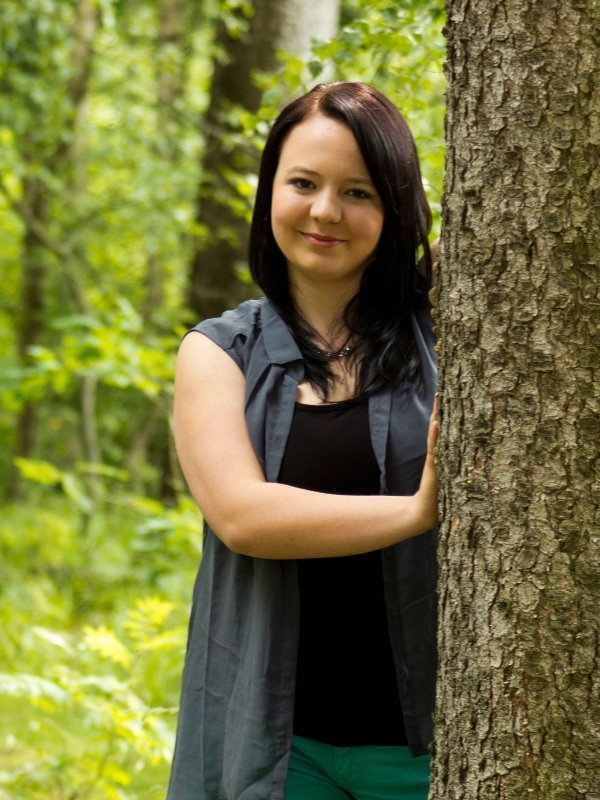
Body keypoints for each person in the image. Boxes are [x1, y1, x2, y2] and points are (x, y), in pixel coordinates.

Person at [168, 82, 439, 800]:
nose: (325, 211)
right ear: (270, 192)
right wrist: (418, 511)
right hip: (278, 753)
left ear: (396, 206)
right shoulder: (217, 353)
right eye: (303, 183)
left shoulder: (449, 326)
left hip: (434, 748)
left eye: (359, 192)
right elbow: (242, 517)